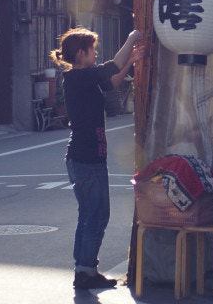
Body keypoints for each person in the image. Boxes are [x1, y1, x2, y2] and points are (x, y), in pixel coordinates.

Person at [51, 26, 145, 290]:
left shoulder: (85, 78)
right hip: (86, 158)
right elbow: (110, 66)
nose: (95, 53)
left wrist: (131, 62)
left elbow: (112, 81)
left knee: (89, 214)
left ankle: (84, 269)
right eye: (92, 49)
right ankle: (86, 271)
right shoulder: (76, 77)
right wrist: (131, 38)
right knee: (97, 215)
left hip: (86, 158)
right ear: (81, 53)